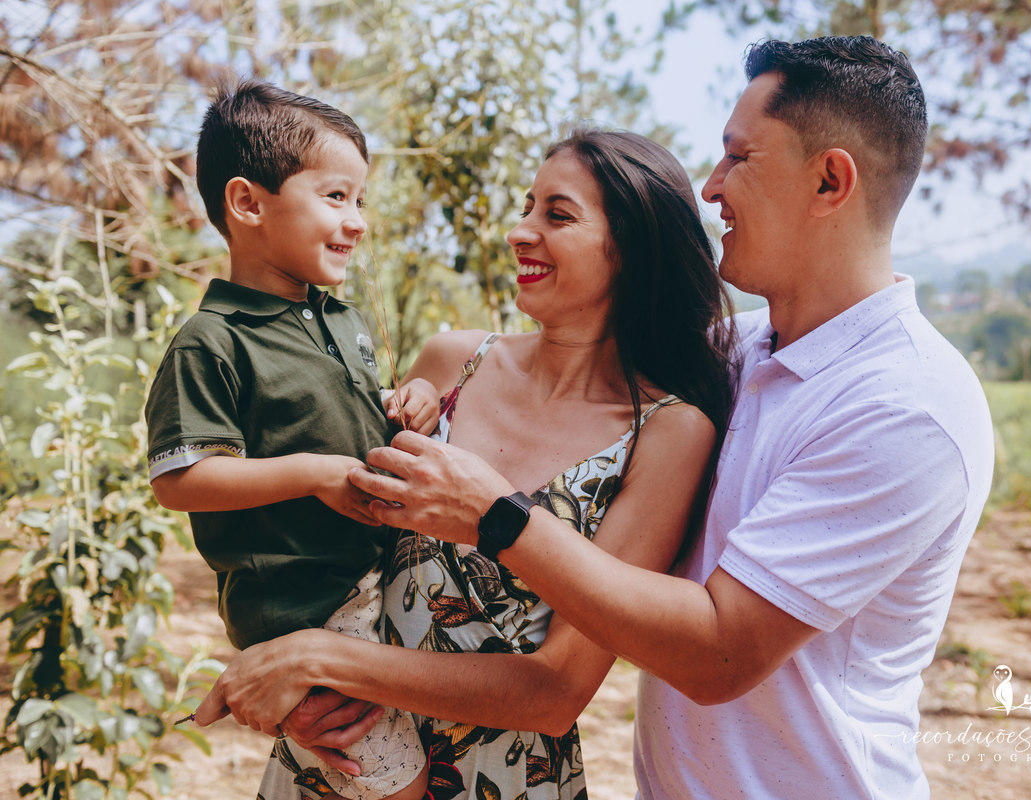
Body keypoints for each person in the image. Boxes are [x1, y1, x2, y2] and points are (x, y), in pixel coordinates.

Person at [237, 36, 996, 799]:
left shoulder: (904, 407)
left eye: (739, 158)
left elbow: (717, 651)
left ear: (830, 179)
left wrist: (492, 518)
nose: (711, 185)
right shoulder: (736, 359)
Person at [192, 128, 740, 800]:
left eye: (557, 215)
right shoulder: (451, 363)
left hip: (503, 779)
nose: (519, 232)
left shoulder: (668, 432)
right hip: (344, 755)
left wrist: (324, 661)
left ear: (631, 249)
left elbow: (557, 690)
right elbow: (332, 537)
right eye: (526, 207)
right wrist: (308, 688)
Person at [144, 80, 441, 800]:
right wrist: (311, 473)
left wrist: (409, 404)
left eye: (360, 200)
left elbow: (345, 415)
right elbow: (180, 478)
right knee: (399, 782)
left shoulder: (340, 321)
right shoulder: (211, 341)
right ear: (247, 203)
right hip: (308, 611)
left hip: (377, 585)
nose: (359, 221)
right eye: (336, 197)